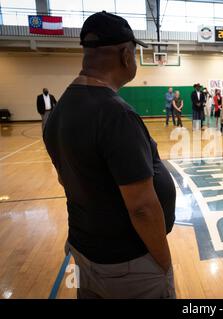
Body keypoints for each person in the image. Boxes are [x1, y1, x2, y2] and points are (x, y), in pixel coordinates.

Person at [43, 11, 175, 299]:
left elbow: (66, 180)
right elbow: (141, 206)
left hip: (86, 247)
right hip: (125, 263)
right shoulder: (115, 114)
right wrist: (163, 262)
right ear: (126, 55)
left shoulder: (59, 110)